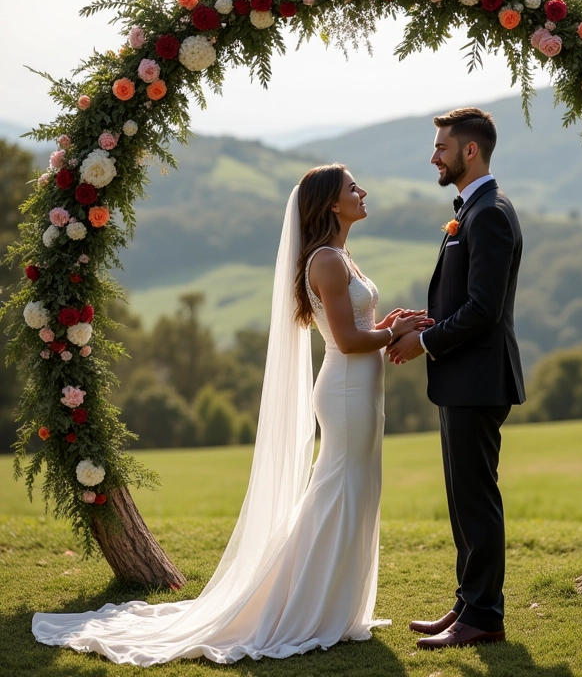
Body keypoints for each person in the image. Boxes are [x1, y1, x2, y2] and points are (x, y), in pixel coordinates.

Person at [32, 164, 431, 666]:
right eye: (353, 187)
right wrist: (391, 336)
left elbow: (357, 326)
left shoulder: (341, 255)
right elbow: (348, 341)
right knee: (338, 490)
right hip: (347, 388)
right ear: (331, 202)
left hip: (362, 386)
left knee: (356, 486)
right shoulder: (326, 260)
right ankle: (305, 603)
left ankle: (336, 601)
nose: (363, 191)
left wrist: (389, 322)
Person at [387, 108, 525, 649]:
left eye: (441, 147)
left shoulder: (489, 213)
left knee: (476, 499)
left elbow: (483, 309)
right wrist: (425, 323)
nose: (433, 156)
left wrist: (424, 341)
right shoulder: (472, 210)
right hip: (462, 378)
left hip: (478, 379)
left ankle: (486, 616)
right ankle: (468, 604)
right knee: (461, 496)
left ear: (470, 151)